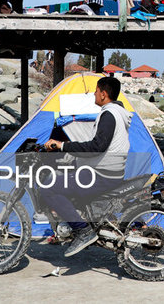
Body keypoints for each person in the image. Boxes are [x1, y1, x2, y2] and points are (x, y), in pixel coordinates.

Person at [42, 76, 132, 257]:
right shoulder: (118, 113)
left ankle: (83, 231)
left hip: (102, 176)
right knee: (69, 175)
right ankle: (82, 222)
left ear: (104, 94)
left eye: (96, 91)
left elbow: (97, 147)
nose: (94, 94)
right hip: (109, 172)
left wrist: (62, 145)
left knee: (48, 188)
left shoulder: (109, 115)